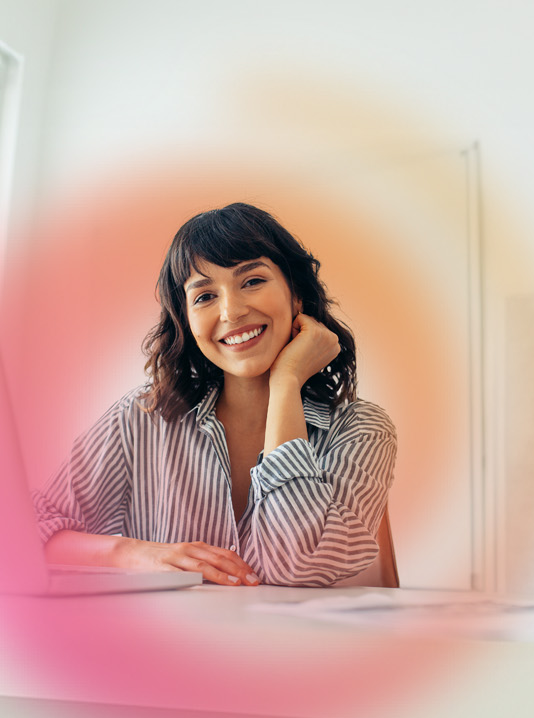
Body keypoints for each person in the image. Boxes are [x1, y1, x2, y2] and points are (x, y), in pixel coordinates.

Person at [34, 203, 396, 587]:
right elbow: (29, 532)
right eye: (204, 296)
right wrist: (134, 553)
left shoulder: (363, 430)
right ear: (187, 322)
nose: (232, 311)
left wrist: (286, 382)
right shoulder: (142, 417)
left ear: (296, 297)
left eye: (253, 281)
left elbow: (296, 564)